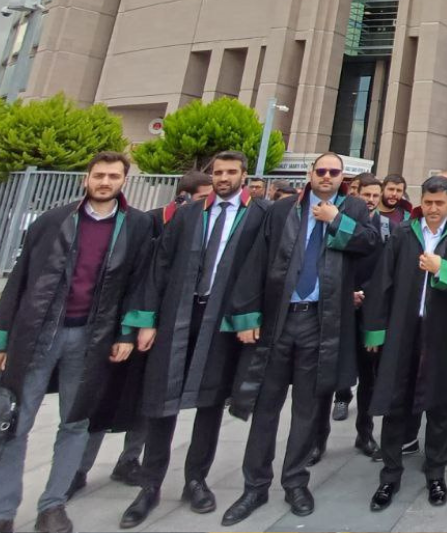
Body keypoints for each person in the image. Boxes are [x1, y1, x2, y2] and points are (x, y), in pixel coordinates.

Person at [219, 153, 380, 525]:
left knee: (307, 407)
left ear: (342, 177)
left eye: (333, 172)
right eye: (320, 171)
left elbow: (370, 245)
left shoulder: (353, 207)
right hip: (279, 319)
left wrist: (336, 220)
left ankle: (294, 481)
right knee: (266, 405)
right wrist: (247, 315)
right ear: (310, 174)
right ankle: (254, 486)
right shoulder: (283, 209)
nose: (326, 176)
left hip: (320, 321)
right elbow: (257, 260)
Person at [0, 152, 153, 533]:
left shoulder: (136, 226)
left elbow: (139, 282)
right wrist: (3, 338)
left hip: (91, 338)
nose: (105, 182)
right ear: (87, 178)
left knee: (75, 423)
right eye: (99, 175)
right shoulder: (53, 221)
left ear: (124, 181)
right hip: (36, 335)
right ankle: (4, 510)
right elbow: (19, 279)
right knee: (15, 423)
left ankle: (53, 505)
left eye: (113, 176)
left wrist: (126, 333)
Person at [116, 151, 270, 528]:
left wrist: (249, 317)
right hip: (178, 314)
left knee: (210, 402)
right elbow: (160, 265)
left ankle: (195, 480)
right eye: (218, 172)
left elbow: (262, 270)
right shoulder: (188, 214)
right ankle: (150, 485)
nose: (223, 178)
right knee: (161, 400)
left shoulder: (259, 216)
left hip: (221, 319)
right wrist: (147, 321)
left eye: (231, 172)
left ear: (244, 176)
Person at [73, 171, 212, 496]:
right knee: (102, 398)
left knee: (147, 398)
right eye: (203, 197)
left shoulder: (204, 226)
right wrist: (129, 326)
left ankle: (130, 459)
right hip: (126, 323)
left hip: (165, 328)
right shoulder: (148, 222)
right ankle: (79, 468)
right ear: (184, 196)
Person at [363, 176, 447, 510]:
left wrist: (443, 269)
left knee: (441, 403)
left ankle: (436, 471)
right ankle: (390, 474)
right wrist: (375, 330)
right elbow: (383, 282)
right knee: (396, 401)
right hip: (404, 330)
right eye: (428, 202)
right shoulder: (404, 234)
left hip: (443, 333)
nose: (432, 209)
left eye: (439, 203)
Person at [313, 174, 385, 465]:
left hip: (368, 308)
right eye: (365, 195)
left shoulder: (385, 227)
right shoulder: (332, 221)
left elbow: (383, 269)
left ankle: (364, 433)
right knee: (326, 373)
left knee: (369, 376)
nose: (370, 201)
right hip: (335, 306)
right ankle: (317, 438)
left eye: (375, 196)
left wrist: (364, 293)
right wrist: (345, 293)